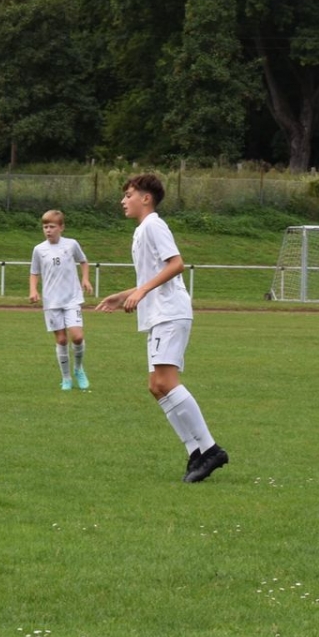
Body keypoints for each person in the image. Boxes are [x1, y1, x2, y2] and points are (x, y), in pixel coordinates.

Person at [98, 173, 228, 483]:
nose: (123, 200)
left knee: (167, 382)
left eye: (128, 195)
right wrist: (125, 295)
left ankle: (211, 449)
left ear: (146, 198)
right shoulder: (142, 230)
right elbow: (153, 275)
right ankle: (195, 451)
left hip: (169, 313)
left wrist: (141, 291)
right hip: (159, 315)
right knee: (156, 386)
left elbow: (176, 264)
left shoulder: (153, 225)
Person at [29, 209, 94, 390]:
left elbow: (83, 261)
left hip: (72, 298)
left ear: (61, 227)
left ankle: (78, 369)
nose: (48, 230)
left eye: (52, 226)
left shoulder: (71, 244)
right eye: (45, 227)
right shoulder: (39, 249)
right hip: (51, 301)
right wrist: (33, 290)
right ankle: (66, 378)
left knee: (77, 337)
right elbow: (34, 272)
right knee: (62, 340)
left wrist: (85, 279)